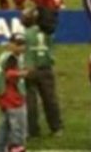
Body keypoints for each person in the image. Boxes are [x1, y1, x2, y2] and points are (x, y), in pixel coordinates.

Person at [22, 10, 62, 138]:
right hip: (46, 68)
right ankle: (56, 128)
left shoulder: (24, 34)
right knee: (50, 99)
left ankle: (32, 129)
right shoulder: (47, 33)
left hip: (29, 68)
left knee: (30, 101)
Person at [0, 34, 28, 152]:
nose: (21, 47)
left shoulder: (4, 55)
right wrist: (22, 73)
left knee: (3, 130)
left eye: (22, 44)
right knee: (18, 131)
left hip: (4, 99)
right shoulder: (12, 58)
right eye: (18, 44)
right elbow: (9, 74)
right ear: (11, 44)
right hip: (13, 100)